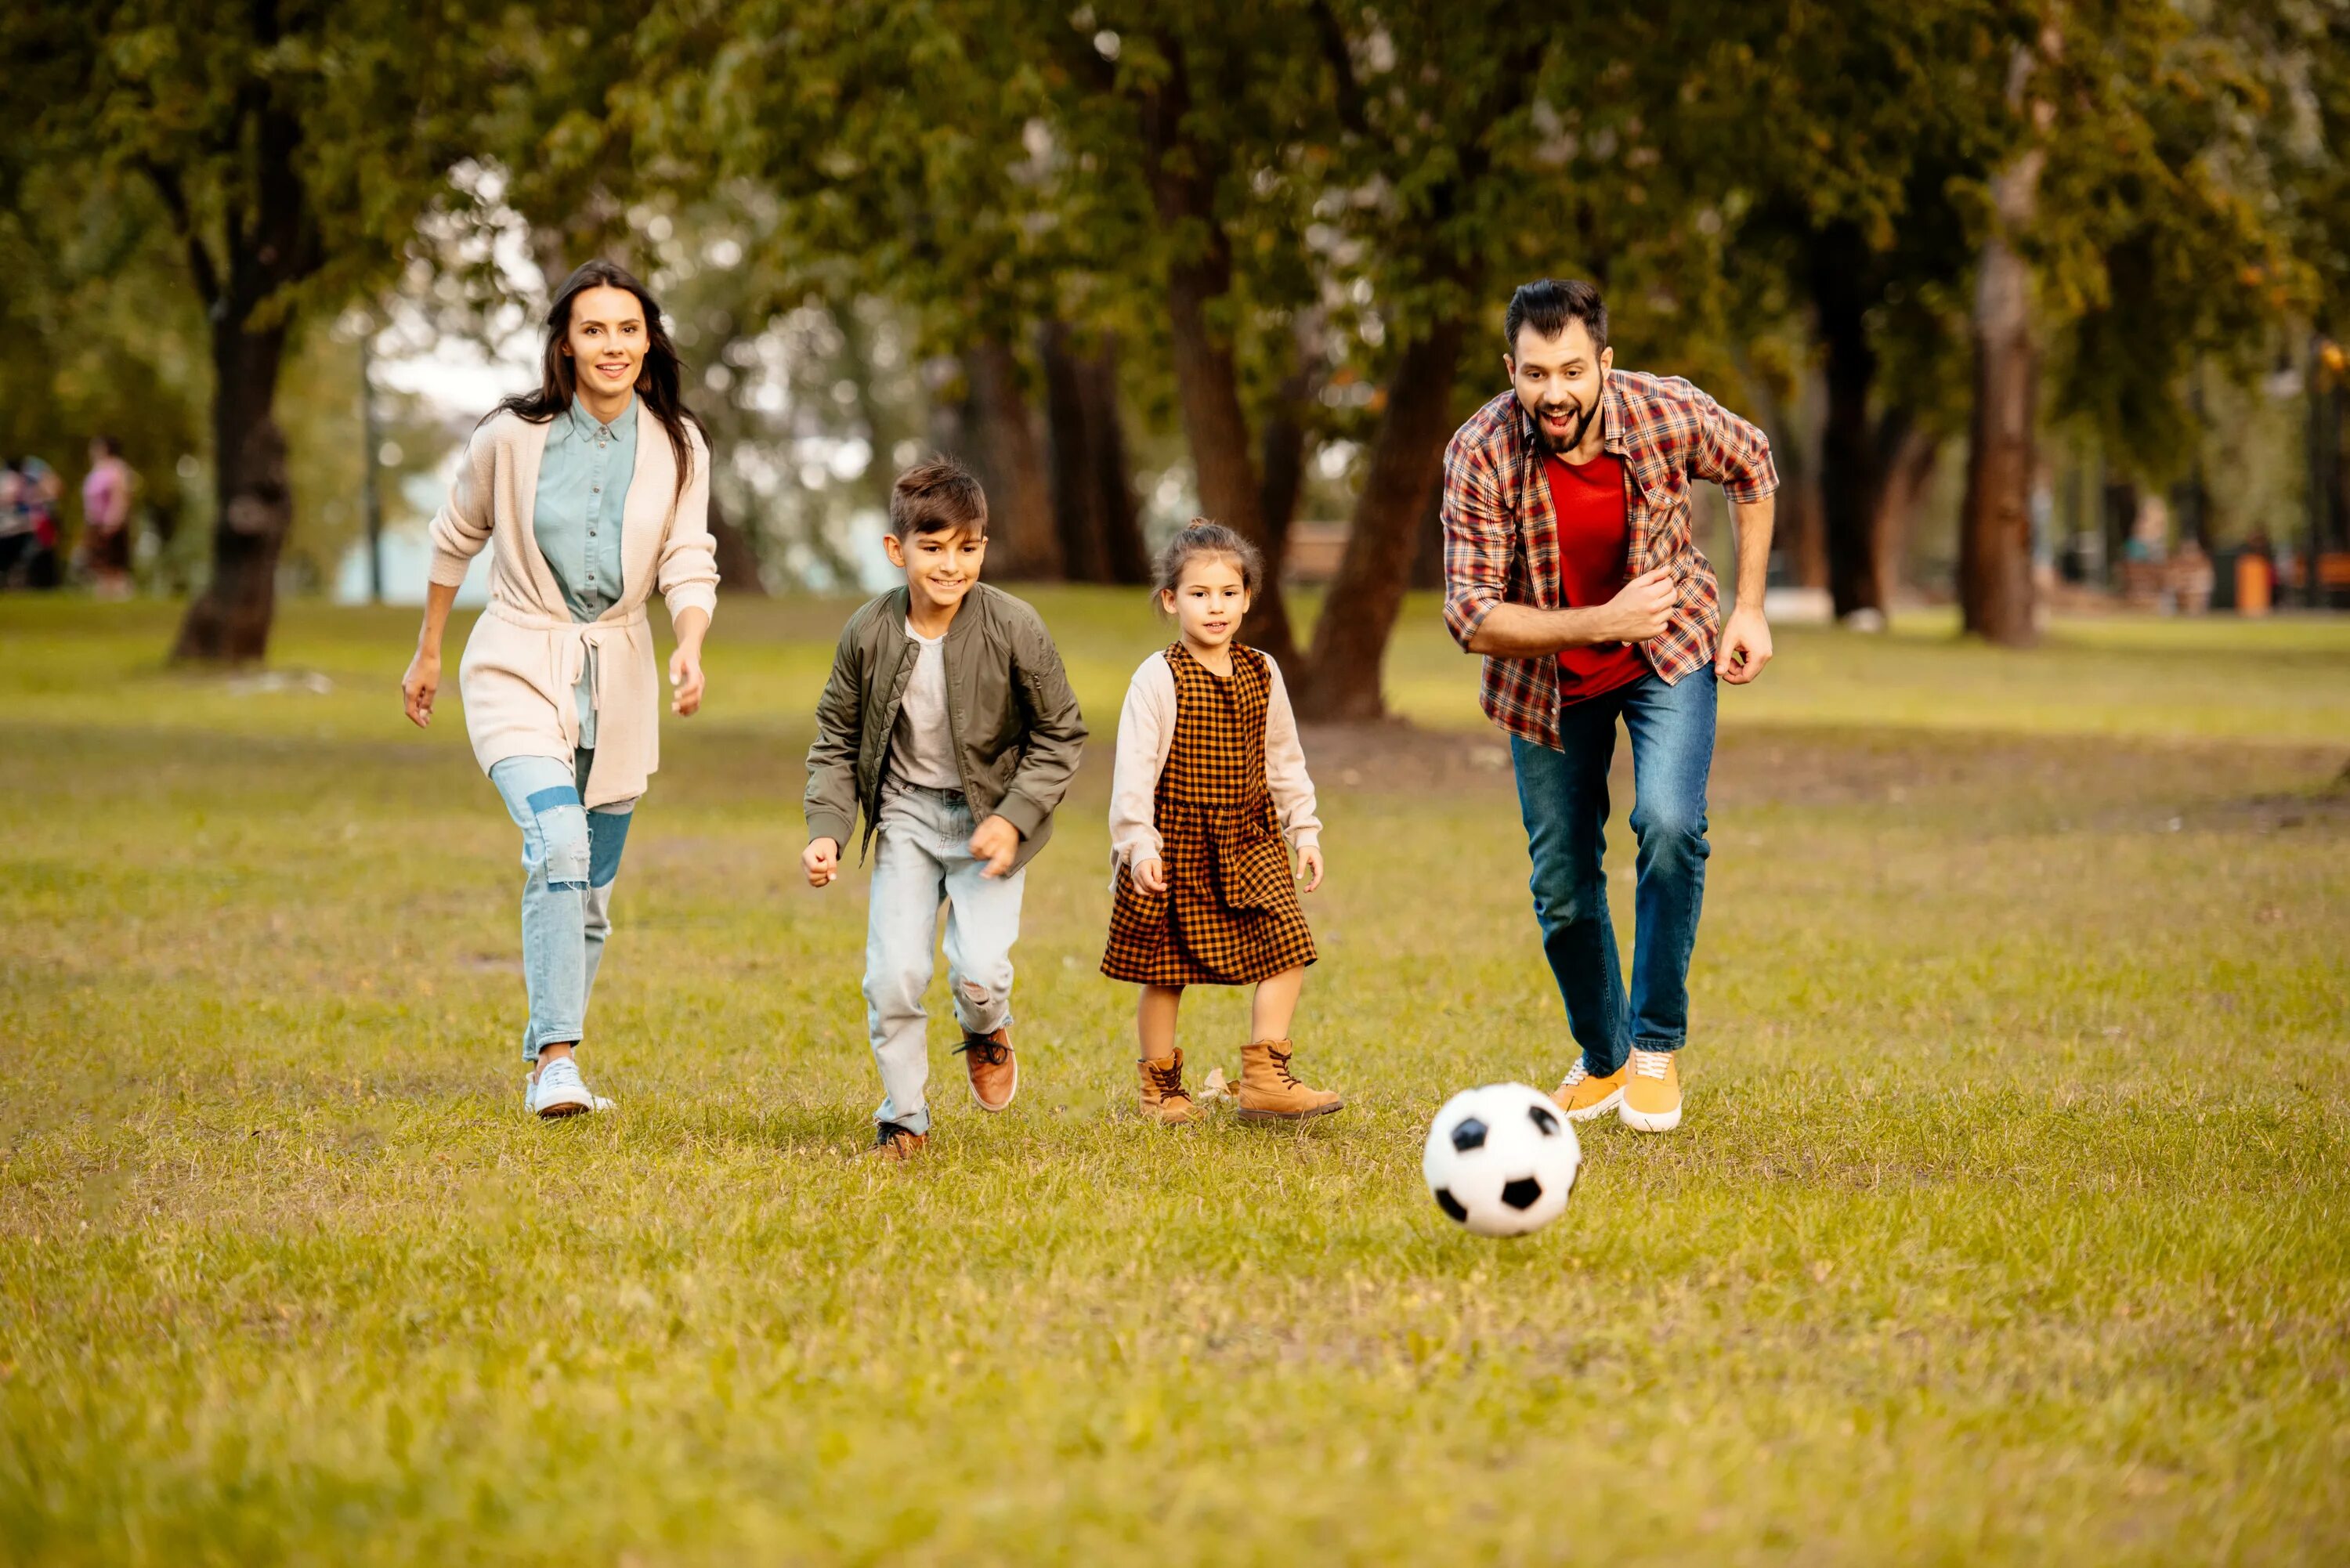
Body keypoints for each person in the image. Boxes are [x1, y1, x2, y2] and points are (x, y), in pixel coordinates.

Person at [1443, 278, 1777, 1135]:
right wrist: (1604, 619)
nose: (1554, 392)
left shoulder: (1665, 412)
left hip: (1667, 652)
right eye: (1534, 373)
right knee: (1561, 885)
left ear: (1605, 364)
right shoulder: (1480, 451)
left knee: (1668, 823)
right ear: (1509, 369)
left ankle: (1655, 1049)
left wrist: (1748, 606)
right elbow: (1473, 618)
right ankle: (1604, 1058)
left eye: (1572, 370)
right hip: (1543, 680)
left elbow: (1754, 465)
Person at [400, 259, 719, 1118]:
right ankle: (557, 1060)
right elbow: (455, 535)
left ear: (648, 340)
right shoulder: (509, 435)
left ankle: (548, 1050)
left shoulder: (681, 444)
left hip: (619, 681)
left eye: (627, 329)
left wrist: (688, 644)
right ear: (565, 345)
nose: (611, 346)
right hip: (514, 662)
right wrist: (428, 651)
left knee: (591, 899)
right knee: (559, 848)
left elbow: (689, 558)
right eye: (593, 330)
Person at [802, 457, 1087, 1160]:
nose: (951, 565)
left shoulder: (1015, 625)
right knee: (893, 975)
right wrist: (829, 832)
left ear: (983, 546)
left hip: (991, 823)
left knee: (981, 974)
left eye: (967, 547)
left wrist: (1013, 815)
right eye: (932, 548)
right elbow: (835, 739)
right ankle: (904, 1118)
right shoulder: (867, 633)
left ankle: (986, 1026)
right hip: (905, 816)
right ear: (897, 551)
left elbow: (1061, 732)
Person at [1102, 521, 1341, 1126]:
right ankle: (1161, 1088)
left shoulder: (1263, 670)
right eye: (1200, 593)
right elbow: (1132, 773)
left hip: (1249, 837)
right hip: (1174, 842)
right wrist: (1137, 846)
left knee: (1288, 945)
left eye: (1229, 593)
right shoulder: (1157, 676)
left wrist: (1304, 830)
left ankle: (1265, 1078)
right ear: (1171, 600)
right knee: (1166, 968)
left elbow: (1284, 758)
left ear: (1248, 598)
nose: (1216, 606)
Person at [79, 437, 136, 598]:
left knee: (113, 562)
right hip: (96, 522)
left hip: (111, 522)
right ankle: (105, 594)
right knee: (100, 562)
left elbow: (121, 495)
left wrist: (114, 519)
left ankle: (118, 593)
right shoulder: (98, 468)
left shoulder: (117, 468)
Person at [1, 457, 63, 589]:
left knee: (38, 554)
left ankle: (41, 581)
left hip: (28, 524)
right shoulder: (19, 477)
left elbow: (54, 489)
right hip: (19, 525)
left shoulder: (32, 472)